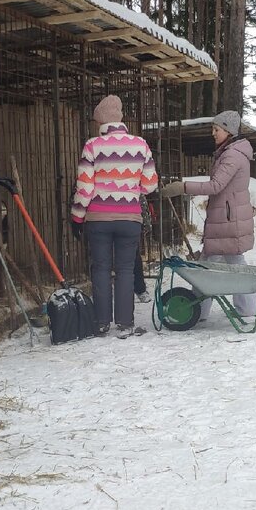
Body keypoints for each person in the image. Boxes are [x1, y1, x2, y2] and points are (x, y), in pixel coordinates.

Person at [71, 94, 159, 336]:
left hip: (98, 219)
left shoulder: (92, 146)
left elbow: (85, 188)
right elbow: (151, 184)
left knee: (100, 268)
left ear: (101, 122)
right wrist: (129, 191)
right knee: (125, 269)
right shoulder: (141, 145)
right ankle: (125, 324)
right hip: (130, 218)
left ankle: (101, 323)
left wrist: (77, 217)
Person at [159, 110, 255, 320]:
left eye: (216, 129)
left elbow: (216, 185)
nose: (213, 133)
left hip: (228, 221)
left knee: (213, 265)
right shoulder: (230, 151)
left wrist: (182, 187)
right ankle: (205, 310)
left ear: (228, 131)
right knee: (213, 264)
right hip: (227, 219)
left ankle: (200, 310)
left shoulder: (232, 155)